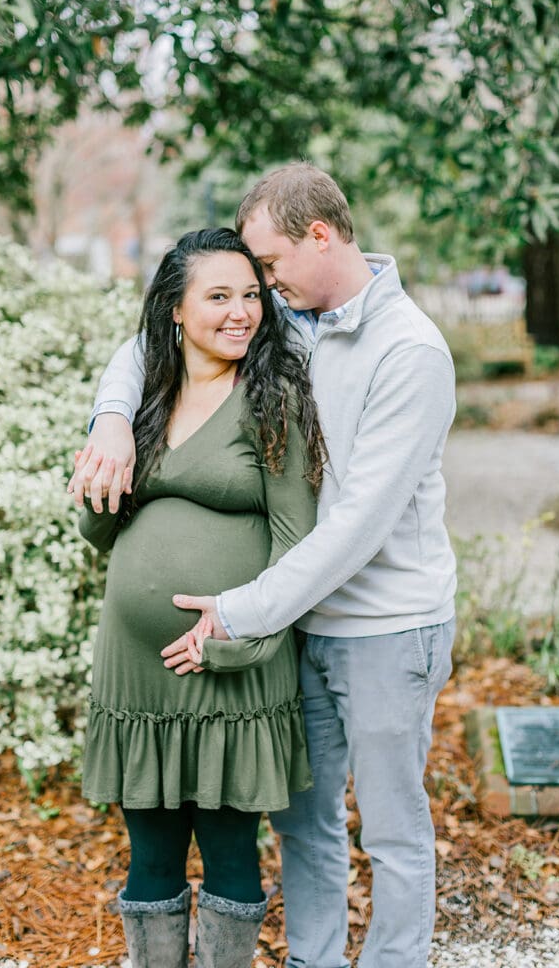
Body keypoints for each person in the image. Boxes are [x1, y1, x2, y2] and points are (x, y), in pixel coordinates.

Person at [72, 164, 457, 968]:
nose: (257, 294)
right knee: (303, 823)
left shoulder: (408, 350)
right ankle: (311, 961)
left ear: (319, 236)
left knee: (390, 827)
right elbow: (156, 338)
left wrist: (240, 617)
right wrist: (112, 418)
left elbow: (350, 526)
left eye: (267, 270)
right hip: (301, 623)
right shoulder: (296, 319)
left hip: (384, 622)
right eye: (245, 284)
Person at [76, 227, 325, 968]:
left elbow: (297, 543)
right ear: (175, 310)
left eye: (250, 294)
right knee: (148, 853)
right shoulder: (141, 397)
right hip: (139, 668)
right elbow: (98, 531)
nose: (241, 311)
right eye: (218, 296)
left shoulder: (274, 398)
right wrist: (101, 460)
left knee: (228, 851)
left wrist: (236, 640)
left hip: (231, 667)